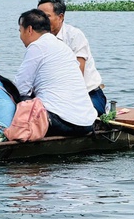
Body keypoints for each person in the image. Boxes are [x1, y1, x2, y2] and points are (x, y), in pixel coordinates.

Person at [14, 9, 97, 137]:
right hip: (86, 123)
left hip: (61, 122)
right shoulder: (63, 47)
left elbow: (20, 88)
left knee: (18, 99)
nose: (20, 37)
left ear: (29, 30)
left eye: (20, 31)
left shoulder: (37, 46)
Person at [37, 0, 107, 115]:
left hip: (88, 95)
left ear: (60, 17)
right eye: (39, 16)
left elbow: (78, 73)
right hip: (55, 97)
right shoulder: (39, 39)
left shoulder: (74, 36)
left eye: (46, 17)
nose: (41, 21)